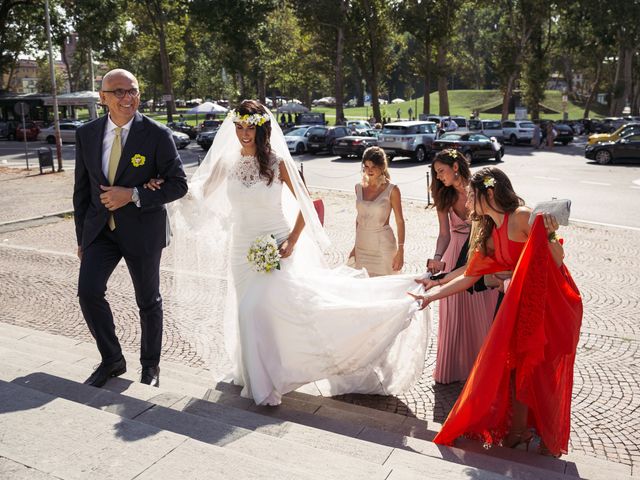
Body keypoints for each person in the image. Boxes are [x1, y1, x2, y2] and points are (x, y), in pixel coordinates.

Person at [157, 100, 430, 406]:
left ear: (261, 129)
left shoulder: (278, 164)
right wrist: (168, 186)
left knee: (254, 309)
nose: (245, 133)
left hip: (275, 245)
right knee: (254, 313)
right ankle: (254, 371)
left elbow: (307, 205)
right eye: (240, 127)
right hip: (240, 249)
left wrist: (293, 241)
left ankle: (264, 384)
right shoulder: (227, 163)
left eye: (251, 127)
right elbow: (199, 194)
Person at [411, 167, 582, 457]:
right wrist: (431, 296)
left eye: (472, 196)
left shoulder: (521, 217)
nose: (466, 203)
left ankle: (525, 432)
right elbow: (470, 276)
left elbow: (556, 261)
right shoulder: (487, 231)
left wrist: (548, 235)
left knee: (533, 368)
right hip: (516, 304)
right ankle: (519, 432)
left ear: (489, 193)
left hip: (547, 303)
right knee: (512, 366)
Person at [73, 68, 188, 389]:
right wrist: (82, 238)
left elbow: (178, 185)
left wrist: (134, 194)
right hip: (100, 232)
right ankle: (112, 359)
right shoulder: (87, 134)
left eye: (133, 91)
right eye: (119, 92)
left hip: (143, 231)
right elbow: (81, 192)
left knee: (148, 300)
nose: (127, 98)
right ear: (103, 98)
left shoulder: (157, 135)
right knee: (88, 292)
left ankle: (150, 367)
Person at [427, 150, 499, 384]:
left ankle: (482, 369)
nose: (438, 177)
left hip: (482, 251)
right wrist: (438, 257)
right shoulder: (443, 196)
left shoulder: (481, 187)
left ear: (455, 166)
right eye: (436, 173)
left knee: (482, 310)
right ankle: (454, 369)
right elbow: (443, 234)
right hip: (454, 252)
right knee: (455, 312)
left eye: (441, 171)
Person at [349, 147, 405, 276]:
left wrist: (401, 250)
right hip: (362, 246)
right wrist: (355, 247)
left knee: (384, 288)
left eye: (373, 166)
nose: (369, 170)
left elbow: (400, 221)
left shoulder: (393, 190)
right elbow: (359, 218)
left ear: (382, 166)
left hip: (383, 247)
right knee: (362, 289)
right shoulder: (358, 187)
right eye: (366, 166)